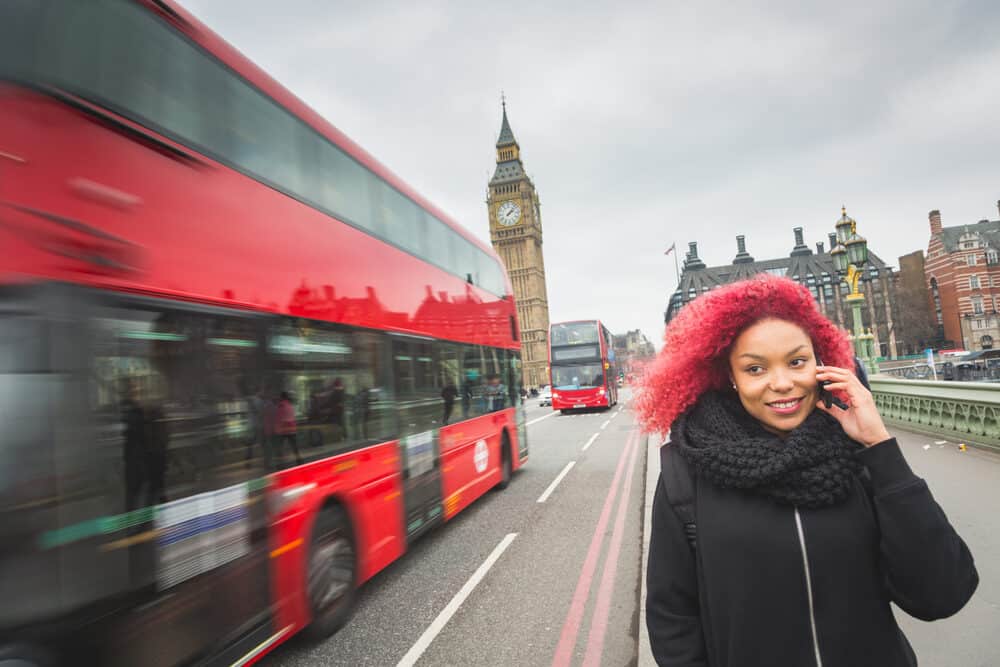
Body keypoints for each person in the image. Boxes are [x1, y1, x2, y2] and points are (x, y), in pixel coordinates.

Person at [639, 274, 978, 667]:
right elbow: (672, 618)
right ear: (729, 376)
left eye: (797, 361)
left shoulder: (857, 458)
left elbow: (943, 593)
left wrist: (881, 448)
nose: (782, 383)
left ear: (822, 363)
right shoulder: (687, 471)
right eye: (755, 369)